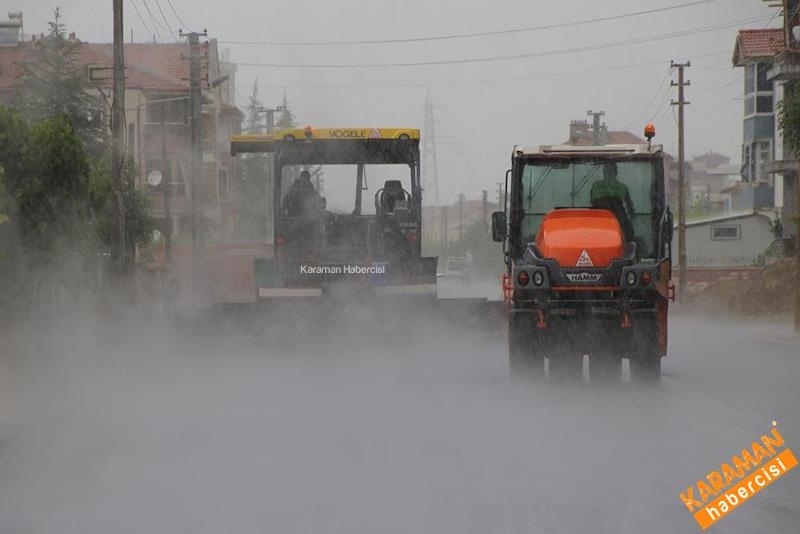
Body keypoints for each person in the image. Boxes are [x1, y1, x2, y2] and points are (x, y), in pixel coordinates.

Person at [590, 162, 636, 243]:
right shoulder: (623, 187)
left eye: (606, 171)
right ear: (616, 172)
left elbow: (592, 202)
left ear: (603, 172)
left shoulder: (596, 185)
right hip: (619, 224)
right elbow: (630, 210)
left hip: (598, 224)